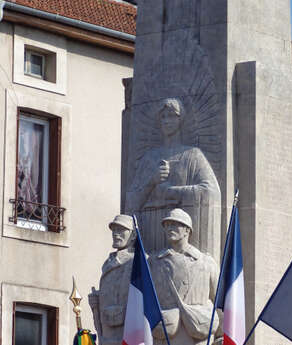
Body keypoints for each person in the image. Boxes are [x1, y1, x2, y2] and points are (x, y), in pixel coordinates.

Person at [125, 98, 220, 255]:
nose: (167, 121)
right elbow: (132, 200)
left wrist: (171, 191)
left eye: (172, 116)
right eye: (163, 117)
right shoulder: (149, 158)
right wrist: (152, 181)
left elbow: (210, 191)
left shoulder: (193, 155)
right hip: (151, 226)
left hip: (181, 226)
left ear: (181, 119)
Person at [149, 208, 219, 345]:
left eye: (175, 224)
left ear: (187, 230)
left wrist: (221, 335)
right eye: (167, 225)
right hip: (165, 333)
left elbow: (220, 302)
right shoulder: (153, 262)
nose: (170, 228)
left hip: (198, 334)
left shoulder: (205, 262)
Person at [88, 215, 136, 345]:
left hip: (125, 331)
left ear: (133, 235)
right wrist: (97, 299)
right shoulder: (108, 262)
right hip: (107, 330)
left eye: (121, 230)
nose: (116, 234)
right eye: (114, 230)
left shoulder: (137, 262)